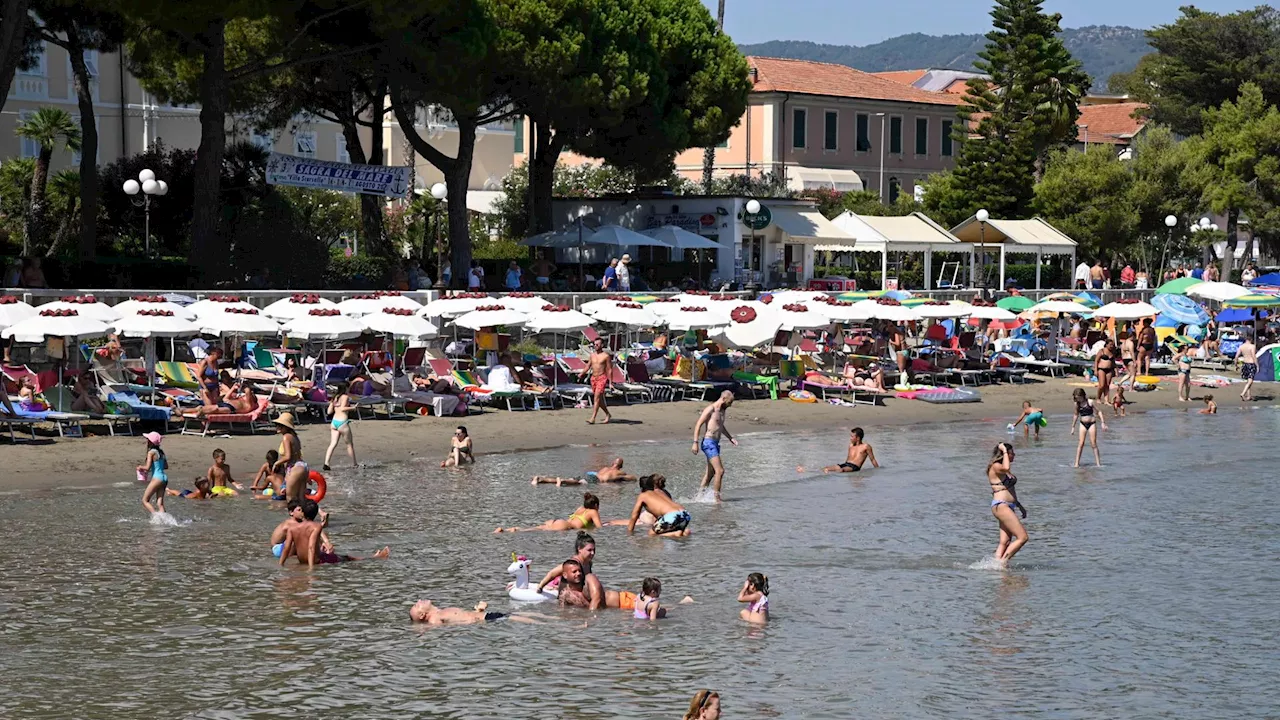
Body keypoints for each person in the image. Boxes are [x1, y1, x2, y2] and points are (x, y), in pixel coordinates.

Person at [279, 498, 388, 567]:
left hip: (302, 561)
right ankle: (375, 558)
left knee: (325, 552)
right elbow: (311, 547)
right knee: (347, 558)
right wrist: (311, 569)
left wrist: (281, 564)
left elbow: (286, 548)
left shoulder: (293, 528)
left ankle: (375, 556)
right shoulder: (316, 526)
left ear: (302, 512)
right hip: (316, 561)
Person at [986, 442, 1028, 566]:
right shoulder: (996, 466)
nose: (1014, 455)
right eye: (1011, 453)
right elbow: (1006, 468)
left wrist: (1019, 506)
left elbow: (1009, 489)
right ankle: (1003, 563)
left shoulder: (1004, 471)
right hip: (1001, 505)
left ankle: (995, 565)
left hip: (1008, 506)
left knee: (1005, 541)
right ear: (1004, 454)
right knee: (1022, 537)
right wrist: (1004, 449)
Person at [693, 390, 737, 500]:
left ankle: (699, 497)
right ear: (723, 399)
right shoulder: (711, 409)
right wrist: (695, 443)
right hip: (708, 442)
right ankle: (717, 499)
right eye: (729, 402)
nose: (730, 405)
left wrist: (730, 438)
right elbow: (698, 424)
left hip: (716, 443)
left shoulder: (722, 410)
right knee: (720, 471)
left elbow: (720, 426)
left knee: (711, 473)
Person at [494, 492, 602, 533]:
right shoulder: (593, 512)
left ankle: (506, 530)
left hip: (559, 521)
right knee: (532, 531)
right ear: (596, 505)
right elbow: (599, 527)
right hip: (564, 526)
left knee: (535, 528)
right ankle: (514, 531)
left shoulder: (581, 508)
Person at [626, 480, 690, 537]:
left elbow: (634, 516)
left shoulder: (643, 495)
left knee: (651, 534)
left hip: (672, 515)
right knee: (671, 529)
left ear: (641, 488)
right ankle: (684, 531)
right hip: (685, 513)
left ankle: (676, 533)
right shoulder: (661, 492)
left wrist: (629, 533)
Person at [409, 599, 539, 625]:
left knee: (526, 615)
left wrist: (478, 609)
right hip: (487, 620)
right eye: (417, 605)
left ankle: (553, 620)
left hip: (485, 615)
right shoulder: (434, 619)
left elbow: (461, 617)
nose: (419, 600)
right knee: (522, 619)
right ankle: (546, 625)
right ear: (421, 615)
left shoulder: (441, 612)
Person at [271, 412, 308, 502]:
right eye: (277, 424)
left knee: (290, 499)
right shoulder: (294, 436)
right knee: (301, 498)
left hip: (294, 467)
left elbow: (288, 456)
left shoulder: (286, 437)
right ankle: (321, 513)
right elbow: (298, 454)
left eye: (279, 425)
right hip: (302, 466)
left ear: (285, 426)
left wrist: (276, 463)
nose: (277, 427)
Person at [322, 381, 357, 471]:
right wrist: (353, 408)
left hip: (334, 422)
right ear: (346, 388)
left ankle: (326, 463)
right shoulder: (345, 397)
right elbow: (342, 408)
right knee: (349, 444)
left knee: (333, 443)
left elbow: (329, 412)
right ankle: (354, 464)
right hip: (342, 422)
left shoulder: (335, 397)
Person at [531, 457, 637, 485]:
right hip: (595, 479)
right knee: (578, 483)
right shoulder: (619, 473)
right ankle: (562, 481)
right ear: (621, 466)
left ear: (612, 463)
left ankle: (541, 480)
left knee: (573, 479)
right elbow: (633, 478)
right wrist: (623, 478)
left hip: (590, 474)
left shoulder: (605, 468)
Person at [1070, 387, 1106, 468]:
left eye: (1079, 397)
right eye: (1076, 398)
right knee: (1081, 443)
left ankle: (1098, 464)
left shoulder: (1090, 402)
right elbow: (1076, 415)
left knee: (1093, 444)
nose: (1078, 399)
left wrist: (1103, 423)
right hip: (1082, 424)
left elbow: (1099, 411)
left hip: (1092, 424)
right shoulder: (1077, 404)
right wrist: (1073, 427)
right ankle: (1076, 463)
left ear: (1083, 395)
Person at [138, 431, 168, 515]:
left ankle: (156, 516)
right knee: (160, 504)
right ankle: (165, 519)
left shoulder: (151, 452)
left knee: (145, 500)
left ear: (150, 442)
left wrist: (140, 467)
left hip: (157, 478)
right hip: (164, 478)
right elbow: (165, 466)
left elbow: (147, 468)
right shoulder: (161, 452)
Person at [586, 338, 612, 425]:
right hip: (593, 378)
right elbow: (588, 366)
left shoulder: (606, 356)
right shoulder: (592, 355)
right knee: (599, 400)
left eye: (597, 344)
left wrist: (611, 383)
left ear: (602, 345)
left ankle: (593, 418)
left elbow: (609, 370)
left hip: (602, 378)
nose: (595, 346)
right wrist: (581, 373)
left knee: (596, 398)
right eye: (594, 344)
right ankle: (608, 414)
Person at [1236, 332, 1258, 401]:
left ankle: (1249, 396)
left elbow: (1236, 356)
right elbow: (1253, 356)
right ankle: (1243, 393)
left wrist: (1236, 364)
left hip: (1245, 364)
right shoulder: (1252, 346)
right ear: (1251, 340)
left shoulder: (1241, 346)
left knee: (1248, 380)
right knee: (1250, 381)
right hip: (1251, 363)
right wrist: (1257, 365)